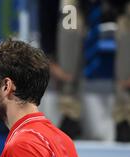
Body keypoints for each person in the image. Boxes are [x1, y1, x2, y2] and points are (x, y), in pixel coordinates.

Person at [39, 0, 130, 141]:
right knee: (70, 13)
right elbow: (47, 12)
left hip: (120, 8)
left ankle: (125, 118)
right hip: (79, 9)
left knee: (127, 25)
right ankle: (70, 113)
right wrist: (49, 57)